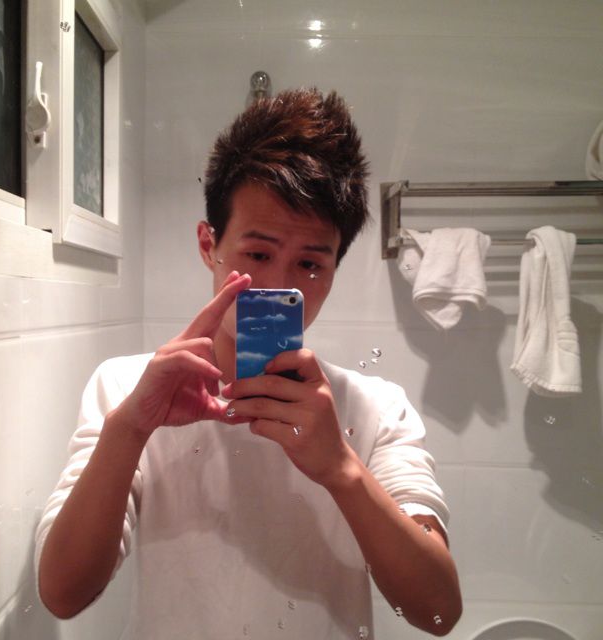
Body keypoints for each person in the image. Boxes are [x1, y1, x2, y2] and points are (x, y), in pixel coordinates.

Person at [35, 88, 462, 638]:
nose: (277, 285)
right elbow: (63, 594)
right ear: (207, 245)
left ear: (334, 270)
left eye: (310, 264)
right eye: (257, 254)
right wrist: (131, 429)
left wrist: (341, 469)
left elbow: (438, 612)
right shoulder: (125, 388)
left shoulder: (377, 410)